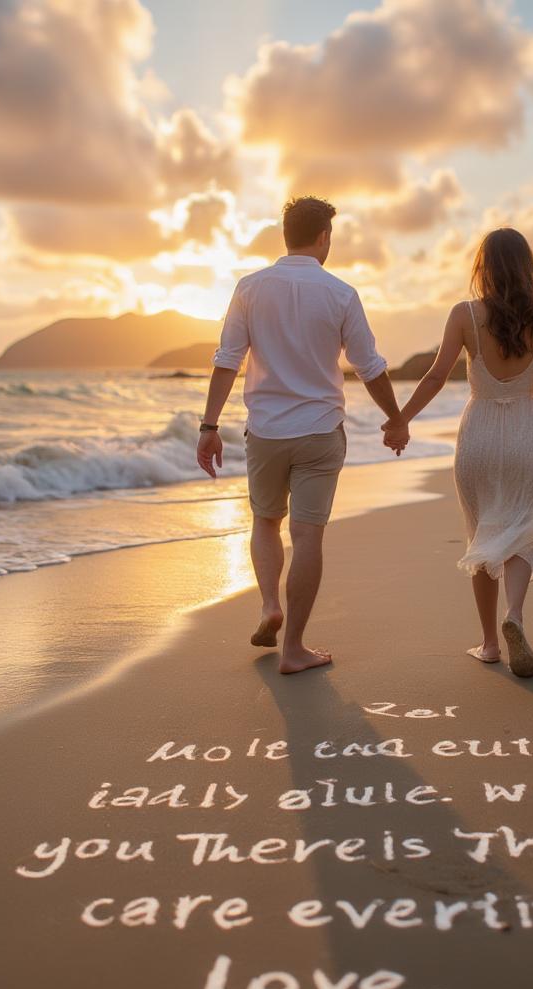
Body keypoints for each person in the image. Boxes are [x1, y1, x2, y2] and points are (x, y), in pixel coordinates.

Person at [197, 196, 408, 675]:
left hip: (266, 430)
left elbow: (227, 359)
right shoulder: (340, 293)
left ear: (285, 235)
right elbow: (368, 366)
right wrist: (395, 418)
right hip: (319, 431)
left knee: (265, 521)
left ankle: (270, 603)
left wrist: (209, 426)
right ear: (324, 237)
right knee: (307, 535)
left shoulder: (250, 288)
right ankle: (293, 648)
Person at [384, 226, 533, 678]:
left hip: (479, 435)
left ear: (483, 267)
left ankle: (489, 643)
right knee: (521, 531)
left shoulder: (465, 314)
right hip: (526, 432)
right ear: (528, 267)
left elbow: (434, 377)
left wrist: (400, 419)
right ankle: (516, 616)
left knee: (482, 535)